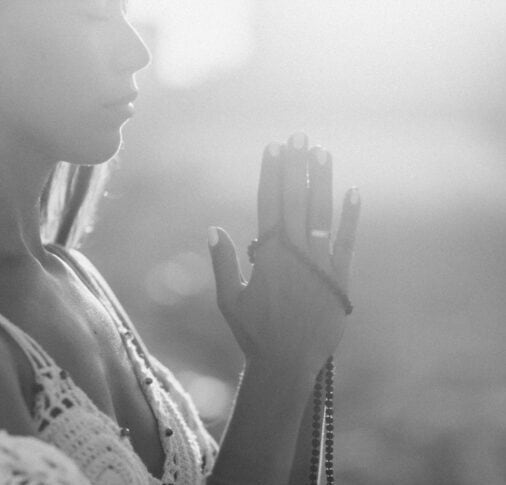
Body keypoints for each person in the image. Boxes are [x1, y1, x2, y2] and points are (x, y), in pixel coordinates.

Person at [0, 1, 361, 484]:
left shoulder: (78, 280)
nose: (138, 52)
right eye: (94, 13)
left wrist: (300, 356)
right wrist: (277, 370)